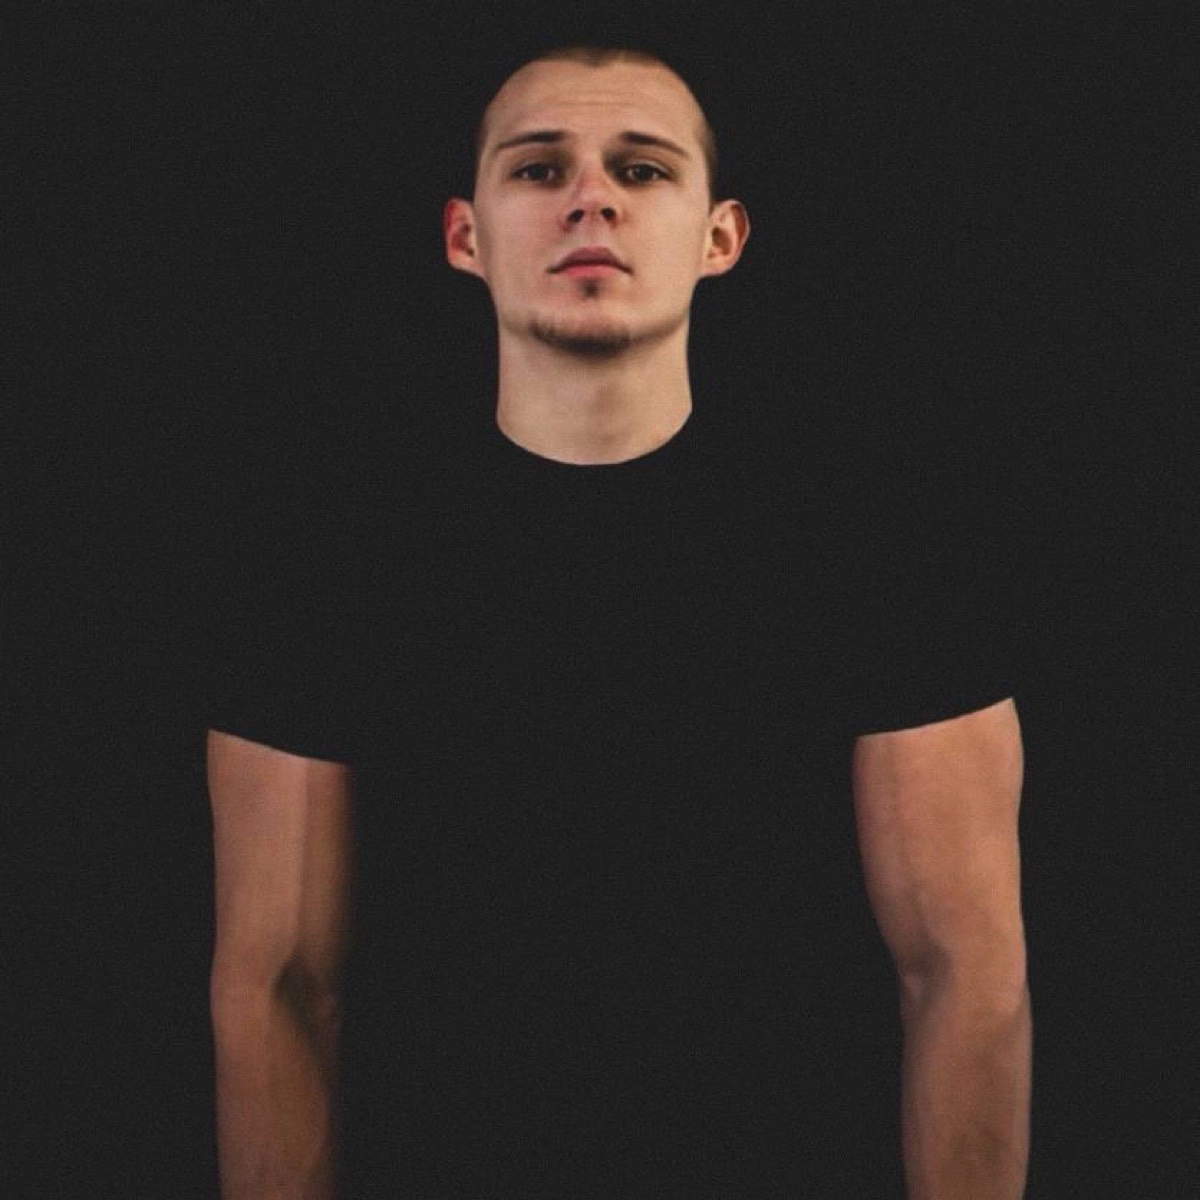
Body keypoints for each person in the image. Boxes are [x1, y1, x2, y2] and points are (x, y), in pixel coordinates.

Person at [206, 44, 1031, 1198]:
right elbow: (278, 987)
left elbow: (965, 975)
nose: (591, 197)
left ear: (719, 237)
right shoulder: (326, 568)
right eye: (538, 169)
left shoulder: (880, 554)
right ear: (464, 236)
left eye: (642, 170)